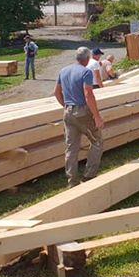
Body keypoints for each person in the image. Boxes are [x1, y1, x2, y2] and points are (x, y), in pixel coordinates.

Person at [53, 47, 105, 187]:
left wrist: (66, 106)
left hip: (68, 113)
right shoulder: (86, 72)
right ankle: (89, 176)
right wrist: (97, 117)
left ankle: (72, 181)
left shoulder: (63, 71)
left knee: (71, 148)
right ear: (88, 59)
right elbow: (88, 94)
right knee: (97, 141)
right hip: (82, 112)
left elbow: (57, 92)